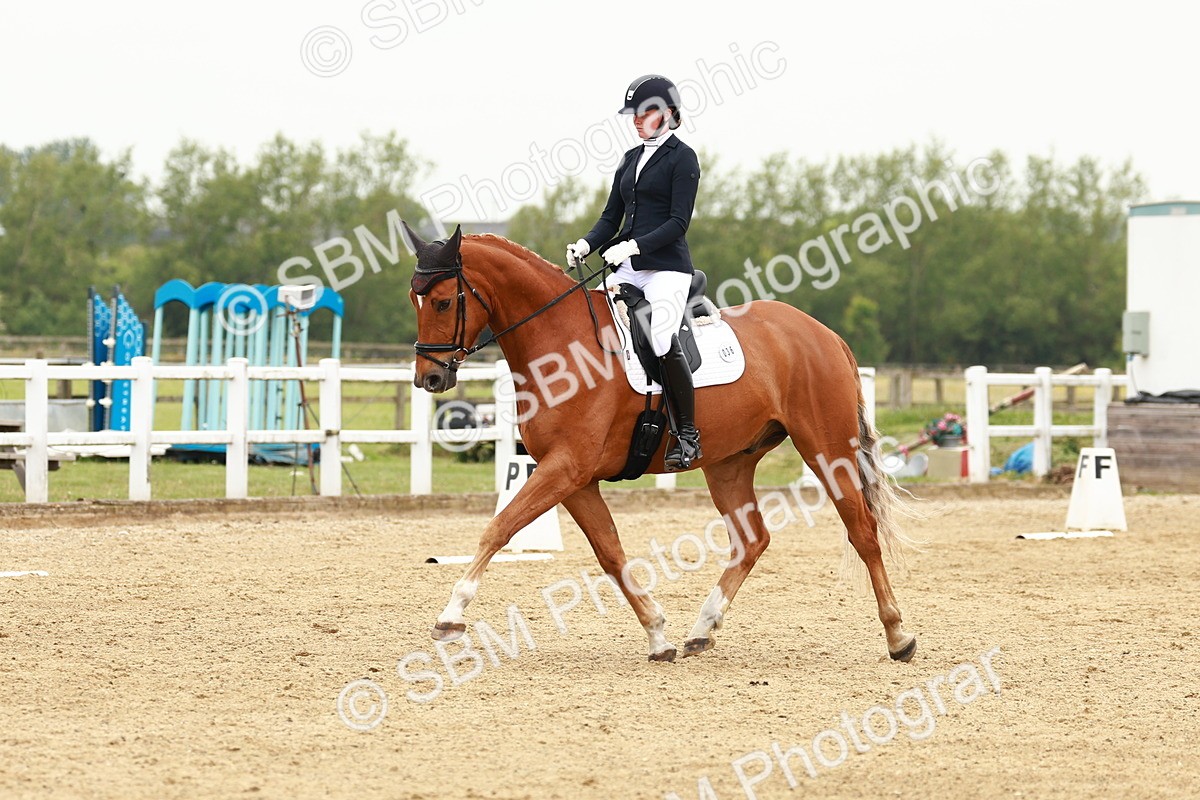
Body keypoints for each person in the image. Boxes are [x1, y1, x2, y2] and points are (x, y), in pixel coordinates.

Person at [566, 74, 702, 471]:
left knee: (659, 337)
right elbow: (611, 216)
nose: (636, 121)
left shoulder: (683, 158)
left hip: (666, 269)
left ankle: (687, 434)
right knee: (589, 322)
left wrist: (636, 246)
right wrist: (587, 243)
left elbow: (678, 222)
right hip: (625, 266)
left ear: (668, 113)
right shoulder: (630, 158)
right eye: (634, 115)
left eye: (644, 114)